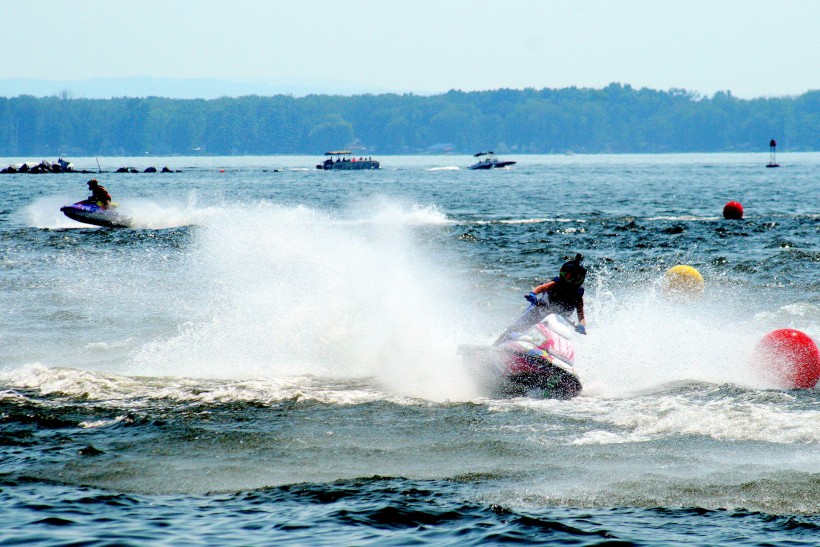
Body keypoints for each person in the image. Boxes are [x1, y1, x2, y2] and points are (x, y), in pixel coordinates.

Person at [525, 254, 588, 334]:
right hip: (539, 311)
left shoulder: (578, 297)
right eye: (569, 277)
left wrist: (581, 325)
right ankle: (507, 337)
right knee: (520, 325)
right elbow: (541, 288)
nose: (571, 281)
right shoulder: (555, 284)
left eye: (576, 279)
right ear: (562, 273)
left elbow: (582, 318)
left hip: (557, 321)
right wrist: (532, 294)